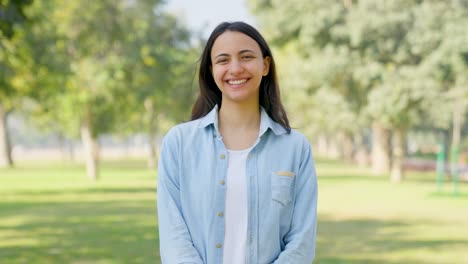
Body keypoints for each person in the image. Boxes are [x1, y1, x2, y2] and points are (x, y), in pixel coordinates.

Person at [157, 21, 318, 264]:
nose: (235, 68)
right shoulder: (178, 144)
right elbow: (173, 236)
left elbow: (302, 241)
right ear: (211, 70)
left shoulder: (296, 148)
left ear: (264, 65)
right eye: (223, 60)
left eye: (246, 57)